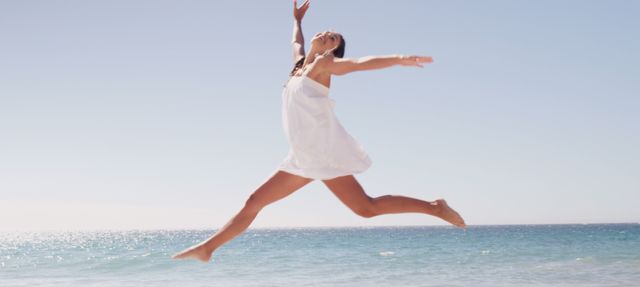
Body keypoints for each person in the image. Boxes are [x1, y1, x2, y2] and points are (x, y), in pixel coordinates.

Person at [173, 0, 465, 263]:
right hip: (302, 156)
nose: (326, 34)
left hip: (322, 152)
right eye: (326, 31)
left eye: (333, 38)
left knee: (366, 208)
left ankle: (435, 207)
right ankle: (208, 249)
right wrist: (297, 20)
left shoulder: (324, 65)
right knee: (258, 202)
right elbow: (296, 42)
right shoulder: (300, 66)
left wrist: (397, 58)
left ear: (331, 51)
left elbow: (356, 64)